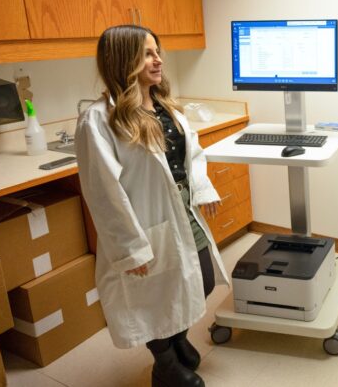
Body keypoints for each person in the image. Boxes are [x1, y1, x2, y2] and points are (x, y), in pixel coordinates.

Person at [75, 25, 229, 387]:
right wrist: (130, 247)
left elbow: (192, 154)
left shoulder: (165, 106)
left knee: (201, 279)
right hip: (143, 223)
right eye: (146, 53)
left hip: (182, 209)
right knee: (153, 298)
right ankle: (165, 365)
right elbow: (103, 192)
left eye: (157, 51)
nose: (158, 59)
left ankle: (176, 340)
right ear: (122, 61)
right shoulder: (99, 120)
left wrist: (203, 189)